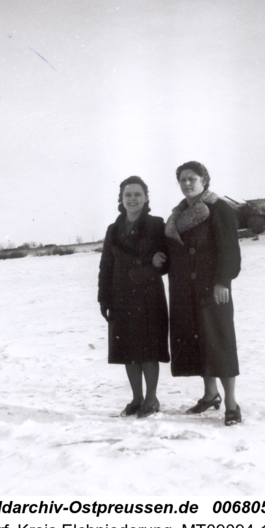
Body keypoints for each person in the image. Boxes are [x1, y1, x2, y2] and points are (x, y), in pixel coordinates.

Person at [153, 162, 242, 425]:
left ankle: (232, 404)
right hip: (184, 290)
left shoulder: (219, 208)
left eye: (192, 179)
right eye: (182, 180)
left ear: (204, 180)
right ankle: (210, 394)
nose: (187, 184)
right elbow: (175, 254)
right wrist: (161, 261)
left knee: (220, 341)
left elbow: (229, 249)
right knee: (200, 342)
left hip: (212, 289)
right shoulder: (177, 215)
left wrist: (223, 281)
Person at [98, 176, 170, 418]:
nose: (132, 199)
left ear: (146, 197)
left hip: (148, 295)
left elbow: (166, 262)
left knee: (149, 349)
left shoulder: (156, 224)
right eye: (128, 195)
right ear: (121, 198)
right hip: (121, 296)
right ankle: (137, 398)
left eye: (137, 194)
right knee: (128, 350)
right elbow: (106, 265)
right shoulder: (113, 229)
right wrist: (104, 299)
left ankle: (151, 398)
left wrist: (150, 266)